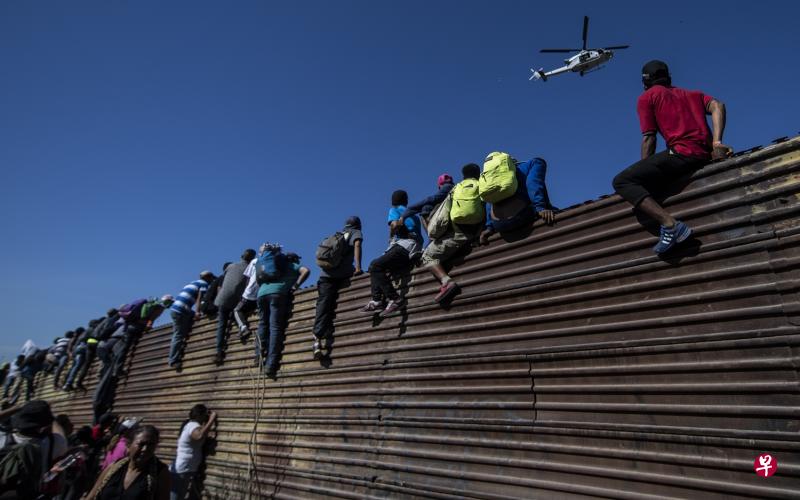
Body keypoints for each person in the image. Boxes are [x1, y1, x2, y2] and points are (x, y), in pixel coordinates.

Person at [613, 60, 734, 254]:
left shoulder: (647, 97)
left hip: (682, 153)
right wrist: (717, 142)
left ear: (645, 82)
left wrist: (645, 171)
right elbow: (718, 105)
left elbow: (649, 138)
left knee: (622, 181)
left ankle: (671, 225)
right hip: (703, 155)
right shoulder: (692, 94)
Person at [420, 165, 486, 302]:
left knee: (427, 255)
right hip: (475, 233)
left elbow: (444, 216)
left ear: (463, 175)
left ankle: (447, 282)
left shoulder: (456, 189)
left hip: (458, 234)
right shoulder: (482, 185)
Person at [362, 190, 423, 317]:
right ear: (406, 201)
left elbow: (394, 225)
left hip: (404, 246)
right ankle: (377, 300)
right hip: (414, 248)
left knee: (374, 266)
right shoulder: (415, 216)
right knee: (381, 267)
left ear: (393, 201)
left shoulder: (394, 210)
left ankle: (392, 299)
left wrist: (391, 236)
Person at [312, 217, 363, 359]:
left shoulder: (337, 235)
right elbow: (357, 245)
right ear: (358, 225)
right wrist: (358, 267)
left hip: (324, 276)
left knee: (323, 305)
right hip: (341, 274)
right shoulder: (355, 232)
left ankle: (317, 340)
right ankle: (320, 337)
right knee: (328, 305)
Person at [255, 247, 310, 378]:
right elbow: (306, 271)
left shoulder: (275, 264)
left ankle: (258, 355)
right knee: (275, 328)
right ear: (294, 259)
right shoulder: (292, 265)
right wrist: (295, 286)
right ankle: (271, 364)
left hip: (261, 293)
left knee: (262, 324)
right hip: (277, 294)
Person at [479, 156, 555, 245]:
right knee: (555, 211)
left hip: (498, 224)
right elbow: (533, 183)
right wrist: (540, 208)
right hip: (520, 217)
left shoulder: (490, 180)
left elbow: (489, 202)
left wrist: (489, 227)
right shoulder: (532, 164)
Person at [0, 400, 67, 498]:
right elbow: (62, 435)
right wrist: (51, 418)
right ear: (44, 427)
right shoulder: (54, 443)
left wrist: (17, 408)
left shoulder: (2, 439)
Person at [83, 425, 170, 500]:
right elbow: (91, 496)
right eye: (141, 444)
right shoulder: (113, 468)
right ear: (129, 445)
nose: (145, 449)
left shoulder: (160, 473)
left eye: (151, 445)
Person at [212, 249, 257, 365]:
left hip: (223, 299)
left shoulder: (230, 266)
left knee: (222, 325)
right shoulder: (251, 268)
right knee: (238, 312)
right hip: (236, 299)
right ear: (252, 259)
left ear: (241, 256)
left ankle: (218, 352)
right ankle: (242, 328)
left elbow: (225, 282)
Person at [168, 272, 215, 369]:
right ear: (208, 278)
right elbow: (200, 298)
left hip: (176, 308)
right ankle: (173, 360)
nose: (212, 281)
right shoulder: (204, 284)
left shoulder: (192, 283)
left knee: (179, 332)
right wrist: (197, 312)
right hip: (181, 311)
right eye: (211, 279)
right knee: (178, 335)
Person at [169, 405, 216, 500]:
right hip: (183, 468)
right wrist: (212, 419)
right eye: (205, 415)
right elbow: (199, 436)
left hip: (185, 468)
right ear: (200, 415)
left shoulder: (189, 424)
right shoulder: (193, 425)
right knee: (176, 497)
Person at [233, 252, 261, 340]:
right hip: (262, 294)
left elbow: (248, 278)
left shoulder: (254, 261)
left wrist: (244, 292)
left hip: (250, 293)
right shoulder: (273, 262)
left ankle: (243, 328)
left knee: (237, 310)